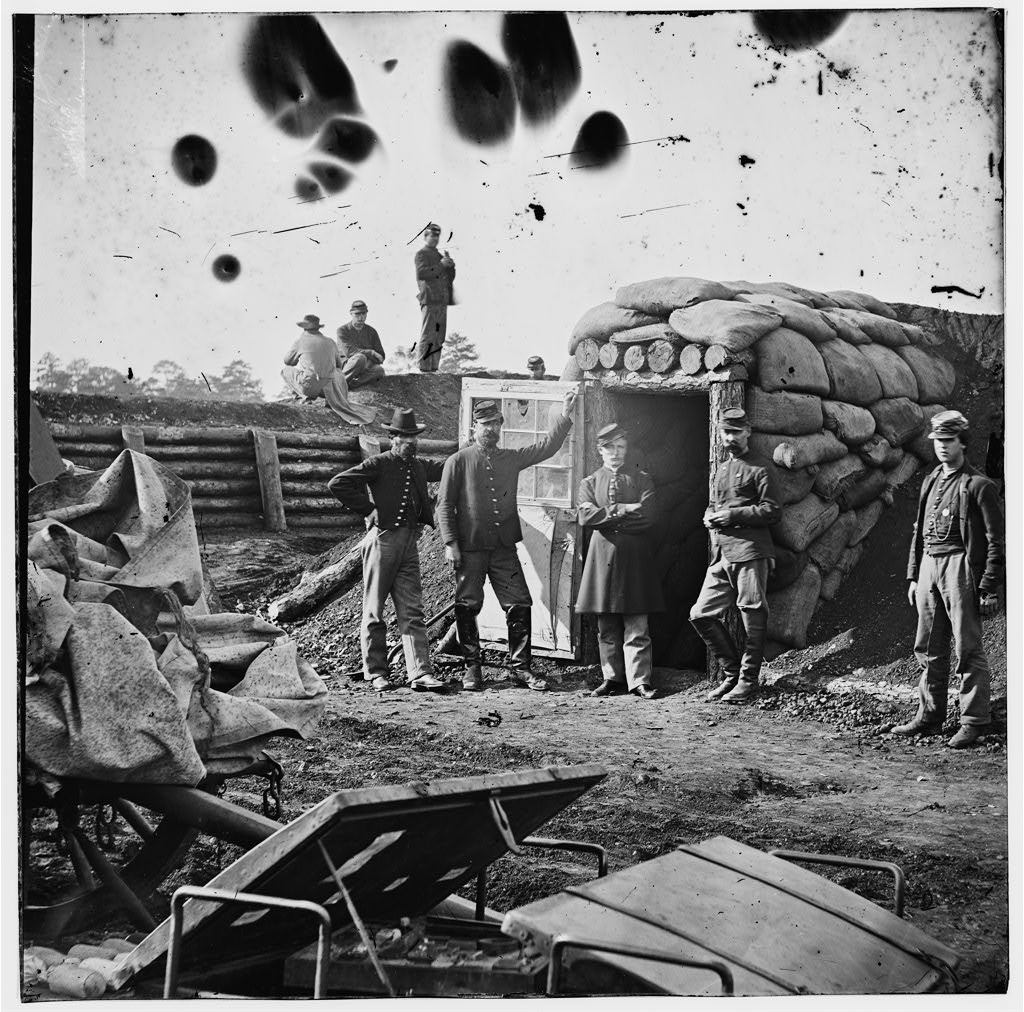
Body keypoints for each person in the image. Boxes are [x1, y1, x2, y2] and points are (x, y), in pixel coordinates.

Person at [437, 390, 577, 692]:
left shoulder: (510, 459)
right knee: (467, 605)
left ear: (501, 426)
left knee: (519, 603)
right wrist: (450, 543)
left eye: (496, 424)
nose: (491, 429)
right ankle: (472, 668)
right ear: (475, 427)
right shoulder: (458, 462)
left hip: (503, 549)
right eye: (485, 424)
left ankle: (521, 668)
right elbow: (444, 506)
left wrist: (564, 416)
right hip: (470, 549)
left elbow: (546, 447)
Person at [894, 409, 1004, 748]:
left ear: (962, 443)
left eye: (949, 440)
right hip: (930, 564)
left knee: (967, 647)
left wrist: (987, 587)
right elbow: (918, 531)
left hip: (960, 566)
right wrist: (914, 575)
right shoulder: (931, 480)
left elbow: (997, 541)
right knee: (927, 646)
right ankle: (929, 716)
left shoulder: (979, 486)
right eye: (938, 440)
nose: (942, 446)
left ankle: (974, 720)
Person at [327, 408, 447, 693]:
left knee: (412, 610)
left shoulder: (419, 466)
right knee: (374, 610)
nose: (410, 442)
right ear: (392, 438)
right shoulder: (378, 463)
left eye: (414, 437)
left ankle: (420, 673)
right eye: (404, 437)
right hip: (382, 542)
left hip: (409, 544)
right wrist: (369, 509)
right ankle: (376, 672)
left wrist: (470, 451)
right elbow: (338, 483)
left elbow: (447, 467)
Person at [689, 407, 781, 703]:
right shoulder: (723, 469)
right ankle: (731, 675)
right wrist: (709, 515)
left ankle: (748, 681)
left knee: (753, 616)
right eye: (725, 432)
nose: (730, 438)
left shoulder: (761, 468)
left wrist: (732, 515)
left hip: (750, 552)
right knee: (700, 614)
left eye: (736, 432)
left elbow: (772, 510)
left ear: (748, 432)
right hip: (722, 555)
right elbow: (715, 504)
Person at [576, 423, 663, 700]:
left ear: (627, 450)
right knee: (607, 624)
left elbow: (648, 516)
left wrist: (606, 517)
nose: (615, 452)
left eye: (621, 447)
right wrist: (623, 509)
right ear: (600, 450)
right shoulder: (589, 483)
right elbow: (585, 517)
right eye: (610, 447)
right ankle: (612, 678)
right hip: (603, 560)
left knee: (637, 623)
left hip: (635, 559)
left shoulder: (641, 480)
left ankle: (639, 681)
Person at [281, 314, 376, 425]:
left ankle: (302, 398)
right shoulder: (330, 341)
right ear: (318, 328)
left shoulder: (300, 341)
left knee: (286, 370)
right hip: (329, 390)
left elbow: (288, 361)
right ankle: (327, 399)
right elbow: (339, 365)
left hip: (310, 387)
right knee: (336, 371)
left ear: (304, 328)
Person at [413, 222, 455, 372]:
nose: (435, 239)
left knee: (439, 336)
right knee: (428, 334)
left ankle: (433, 368)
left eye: (437, 236)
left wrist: (451, 267)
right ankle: (424, 368)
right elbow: (422, 273)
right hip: (429, 299)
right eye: (432, 236)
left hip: (441, 300)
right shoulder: (421, 254)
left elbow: (449, 278)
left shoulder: (439, 256)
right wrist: (442, 265)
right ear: (425, 237)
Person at [337, 300, 386, 389]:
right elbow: (349, 352)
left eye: (363, 314)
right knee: (360, 358)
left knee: (379, 370)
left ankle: (352, 385)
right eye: (357, 314)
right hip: (347, 365)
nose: (361, 318)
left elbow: (381, 355)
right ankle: (338, 384)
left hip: (366, 367)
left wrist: (370, 361)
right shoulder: (342, 330)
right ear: (351, 314)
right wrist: (371, 353)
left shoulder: (372, 332)